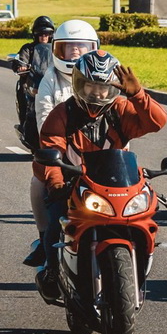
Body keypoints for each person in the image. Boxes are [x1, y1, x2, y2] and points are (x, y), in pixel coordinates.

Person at [35, 50, 167, 299]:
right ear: (78, 84)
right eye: (90, 86)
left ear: (113, 88)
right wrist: (56, 184)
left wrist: (138, 96)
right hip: (74, 185)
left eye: (103, 87)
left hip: (119, 186)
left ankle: (135, 268)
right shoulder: (62, 113)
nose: (97, 93)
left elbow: (157, 122)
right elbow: (50, 152)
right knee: (56, 224)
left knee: (143, 219)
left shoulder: (121, 109)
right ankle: (53, 269)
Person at [21, 19, 99, 268]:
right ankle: (45, 240)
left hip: (100, 156)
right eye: (70, 47)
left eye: (81, 47)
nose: (75, 52)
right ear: (58, 50)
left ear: (93, 48)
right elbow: (45, 122)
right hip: (63, 154)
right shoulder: (50, 80)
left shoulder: (104, 75)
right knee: (39, 182)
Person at [12, 15, 55, 120]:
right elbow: (21, 59)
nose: (43, 36)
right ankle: (24, 121)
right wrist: (21, 66)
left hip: (51, 81)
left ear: (51, 35)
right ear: (35, 35)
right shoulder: (28, 48)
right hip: (32, 82)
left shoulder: (56, 49)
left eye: (47, 34)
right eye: (40, 34)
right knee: (22, 90)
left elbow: (63, 60)